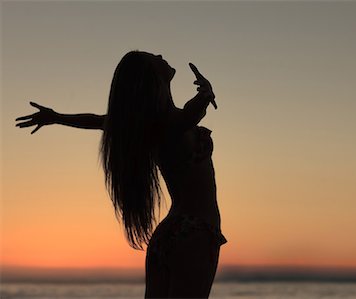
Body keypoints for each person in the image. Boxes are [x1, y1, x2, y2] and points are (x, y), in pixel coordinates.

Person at [15, 51, 227, 298]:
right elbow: (195, 111)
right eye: (154, 57)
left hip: (169, 234)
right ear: (152, 77)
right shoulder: (172, 123)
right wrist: (206, 92)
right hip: (195, 231)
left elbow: (98, 121)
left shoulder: (146, 125)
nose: (160, 55)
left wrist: (57, 117)